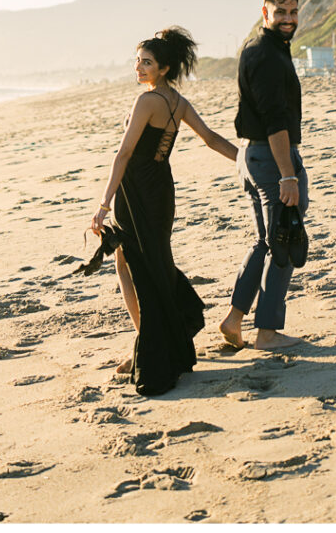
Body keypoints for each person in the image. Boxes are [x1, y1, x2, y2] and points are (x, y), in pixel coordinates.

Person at [90, 26, 238, 396]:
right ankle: (146, 344)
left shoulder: (147, 101)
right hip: (161, 189)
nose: (138, 68)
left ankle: (147, 347)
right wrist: (245, 160)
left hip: (137, 189)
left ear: (164, 68)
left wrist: (104, 204)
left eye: (147, 63)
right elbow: (211, 139)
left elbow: (123, 154)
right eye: (137, 61)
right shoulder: (178, 103)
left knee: (132, 266)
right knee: (152, 263)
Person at [220, 0, 309, 352]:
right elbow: (275, 120)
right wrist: (288, 173)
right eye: (281, 12)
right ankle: (268, 333)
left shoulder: (265, 47)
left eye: (293, 12)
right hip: (271, 158)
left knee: (267, 241)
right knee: (285, 241)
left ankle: (234, 320)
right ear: (265, 12)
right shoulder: (268, 56)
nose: (288, 19)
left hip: (254, 155)